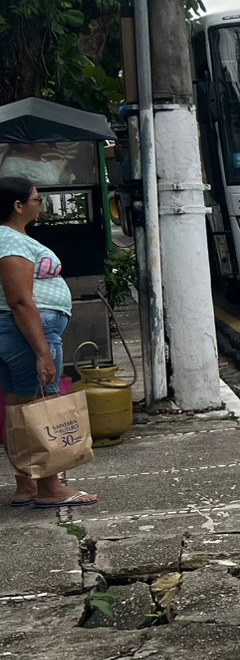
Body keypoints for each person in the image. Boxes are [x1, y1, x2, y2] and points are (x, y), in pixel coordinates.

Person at [0, 177, 97, 509]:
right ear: (18, 205)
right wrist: (42, 351)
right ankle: (50, 489)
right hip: (25, 331)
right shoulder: (10, 242)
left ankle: (27, 484)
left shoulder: (11, 238)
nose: (39, 204)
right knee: (41, 404)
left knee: (18, 408)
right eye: (36, 199)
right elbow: (20, 301)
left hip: (18, 331)